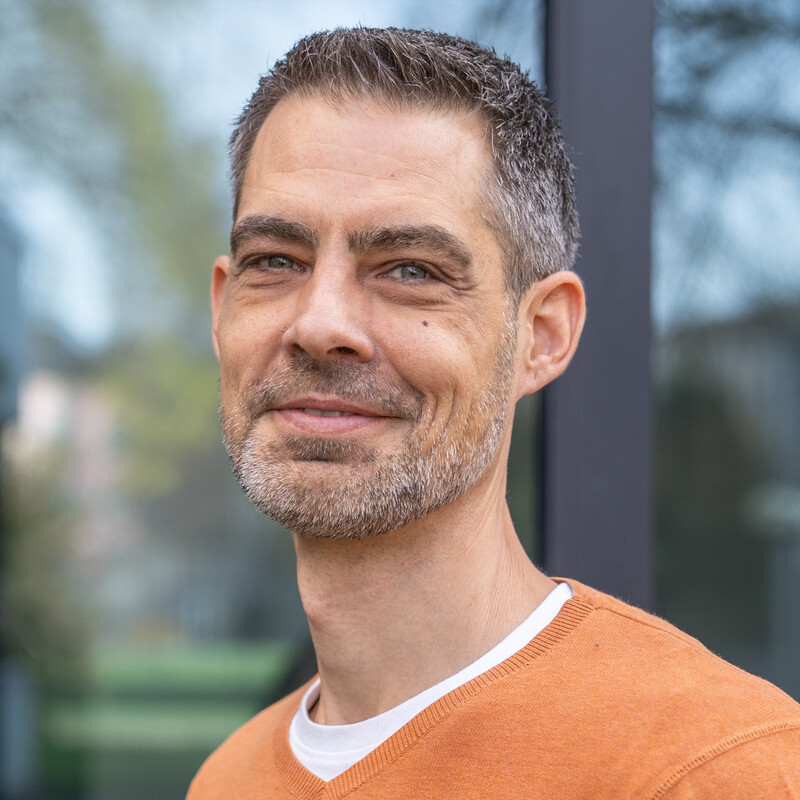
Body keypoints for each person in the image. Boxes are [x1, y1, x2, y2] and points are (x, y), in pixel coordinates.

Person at [188, 27, 800, 800]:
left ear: (541, 336)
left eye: (409, 269)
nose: (319, 324)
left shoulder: (716, 769)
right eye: (275, 261)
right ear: (222, 310)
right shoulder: (229, 779)